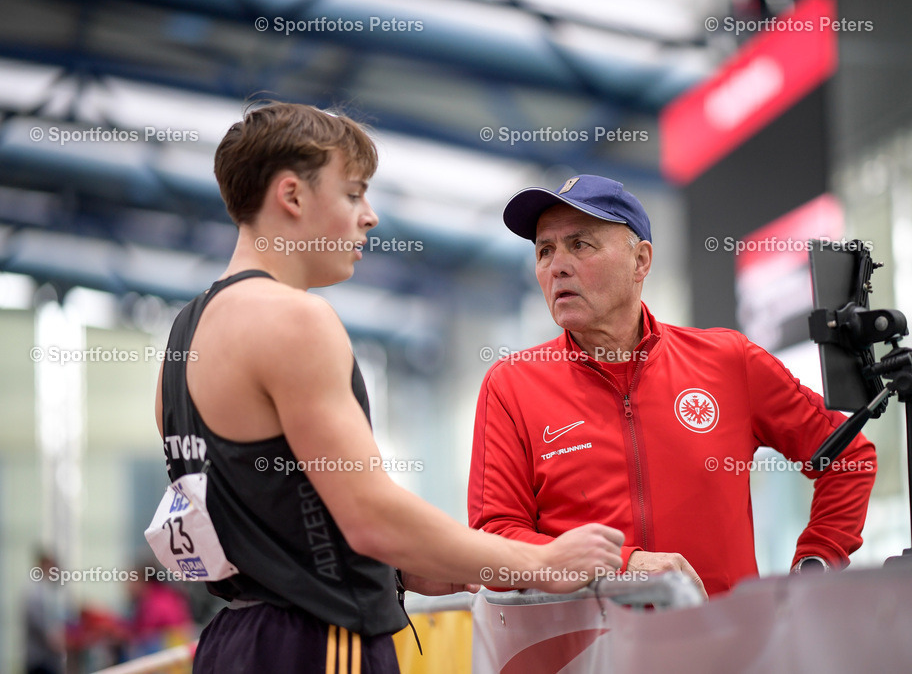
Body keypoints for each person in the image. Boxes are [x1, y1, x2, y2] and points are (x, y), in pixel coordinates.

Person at [153, 104, 624, 674]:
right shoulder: (296, 320)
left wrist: (394, 569)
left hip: (232, 644)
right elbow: (371, 517)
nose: (369, 217)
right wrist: (542, 562)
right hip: (319, 644)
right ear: (292, 196)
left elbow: (266, 526)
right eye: (353, 194)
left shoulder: (184, 340)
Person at [468, 174, 877, 598]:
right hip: (588, 657)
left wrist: (816, 561)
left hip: (726, 651)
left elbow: (849, 456)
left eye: (580, 244)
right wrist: (621, 566)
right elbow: (493, 547)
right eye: (544, 251)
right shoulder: (512, 387)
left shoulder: (729, 361)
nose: (557, 266)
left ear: (641, 261)